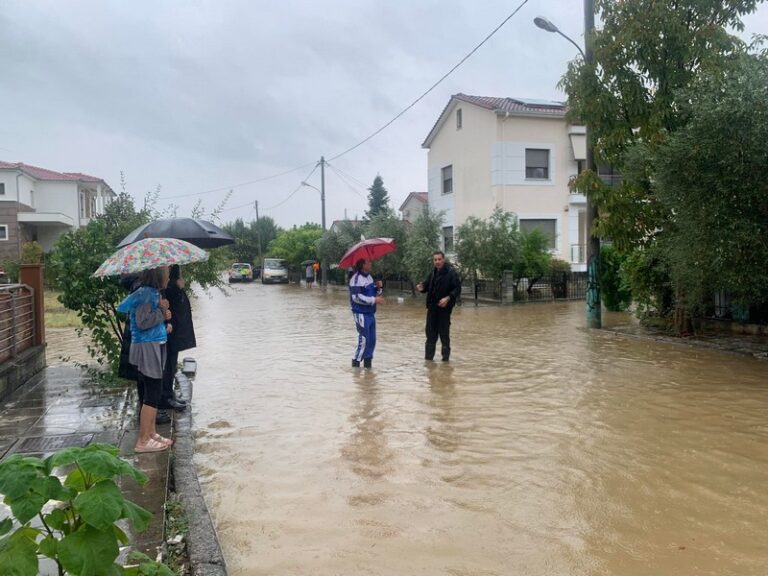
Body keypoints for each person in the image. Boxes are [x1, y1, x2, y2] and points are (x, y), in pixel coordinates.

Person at [117, 266, 174, 453]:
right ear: (160, 276)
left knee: (154, 390)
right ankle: (143, 440)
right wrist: (161, 312)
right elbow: (142, 323)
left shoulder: (152, 293)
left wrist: (163, 325)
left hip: (153, 343)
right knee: (152, 390)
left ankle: (151, 433)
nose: (169, 276)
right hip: (147, 347)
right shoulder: (146, 295)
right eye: (167, 272)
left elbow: (148, 322)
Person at [160, 265, 195, 412]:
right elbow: (167, 308)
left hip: (175, 332)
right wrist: (177, 287)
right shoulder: (167, 288)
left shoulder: (171, 286)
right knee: (167, 365)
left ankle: (169, 395)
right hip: (169, 332)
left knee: (172, 364)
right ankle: (165, 397)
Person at [416, 251, 462, 362]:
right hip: (432, 310)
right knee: (430, 336)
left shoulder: (451, 273)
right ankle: (428, 362)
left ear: (443, 259)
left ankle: (446, 363)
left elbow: (457, 288)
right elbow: (426, 286)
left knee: (444, 336)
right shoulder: (432, 273)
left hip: (444, 311)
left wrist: (448, 298)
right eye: (435, 260)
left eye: (439, 259)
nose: (437, 262)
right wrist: (421, 287)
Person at [349, 258, 384, 368]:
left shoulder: (369, 277)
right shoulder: (355, 279)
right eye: (369, 262)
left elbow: (374, 293)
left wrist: (379, 288)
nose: (371, 264)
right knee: (363, 340)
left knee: (372, 340)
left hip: (370, 313)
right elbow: (356, 298)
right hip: (360, 313)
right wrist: (374, 300)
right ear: (363, 265)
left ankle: (368, 368)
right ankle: (356, 366)